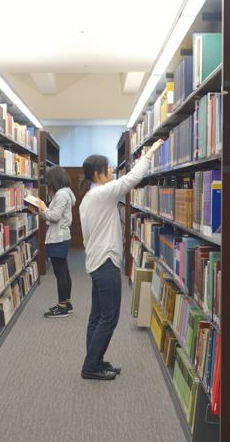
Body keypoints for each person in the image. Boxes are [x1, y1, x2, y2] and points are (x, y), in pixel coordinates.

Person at [78, 139, 164, 380]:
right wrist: (149, 155)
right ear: (98, 173)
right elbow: (131, 179)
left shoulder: (89, 198)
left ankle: (94, 361)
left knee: (97, 316)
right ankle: (90, 367)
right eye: (108, 168)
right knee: (110, 316)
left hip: (95, 262)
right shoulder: (103, 193)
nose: (113, 171)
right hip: (106, 263)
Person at [28, 165, 76, 318]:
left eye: (48, 180)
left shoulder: (61, 194)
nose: (47, 183)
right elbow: (54, 215)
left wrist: (43, 207)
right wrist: (40, 212)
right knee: (64, 271)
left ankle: (62, 307)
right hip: (61, 236)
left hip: (58, 238)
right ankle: (66, 304)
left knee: (60, 273)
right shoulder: (65, 192)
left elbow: (54, 216)